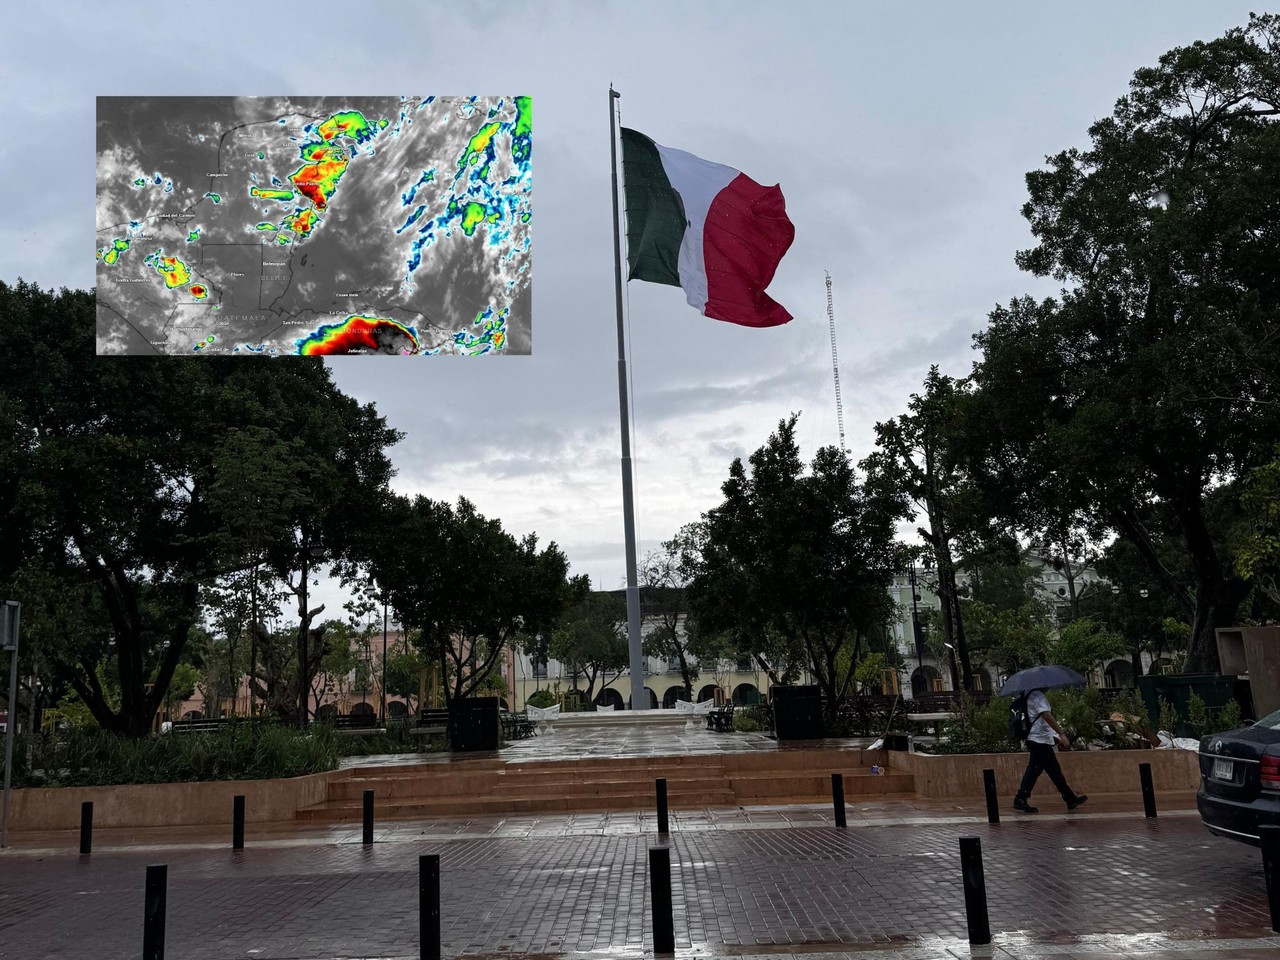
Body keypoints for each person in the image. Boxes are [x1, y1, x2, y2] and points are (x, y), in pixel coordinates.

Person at [1012, 687, 1088, 814]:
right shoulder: (1038, 696)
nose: (1048, 687)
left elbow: (1038, 721)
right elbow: (1046, 715)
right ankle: (1020, 798)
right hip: (1039, 741)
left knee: (1054, 771)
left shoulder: (1028, 695)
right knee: (1034, 770)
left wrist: (1053, 736)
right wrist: (1061, 734)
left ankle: (1069, 798)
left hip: (1040, 739)